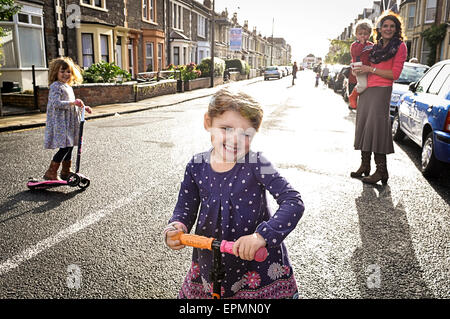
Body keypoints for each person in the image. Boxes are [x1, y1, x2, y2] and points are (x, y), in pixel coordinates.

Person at [163, 88, 305, 299]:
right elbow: (185, 207)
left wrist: (261, 236)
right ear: (207, 122)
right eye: (226, 128)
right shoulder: (196, 165)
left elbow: (293, 201)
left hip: (255, 263)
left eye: (246, 133)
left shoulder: (259, 162)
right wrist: (177, 227)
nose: (235, 139)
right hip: (209, 257)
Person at [351, 12, 407, 184]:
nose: (388, 29)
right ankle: (365, 165)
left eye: (392, 26)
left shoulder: (399, 46)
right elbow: (365, 64)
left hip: (381, 89)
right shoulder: (376, 46)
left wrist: (370, 70)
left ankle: (381, 170)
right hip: (367, 88)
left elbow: (394, 74)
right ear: (380, 29)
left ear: (396, 29)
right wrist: (358, 70)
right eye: (385, 26)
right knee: (364, 126)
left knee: (376, 128)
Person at [43, 57, 92, 181]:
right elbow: (56, 104)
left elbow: (72, 105)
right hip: (61, 123)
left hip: (69, 123)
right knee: (65, 147)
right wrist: (72, 102)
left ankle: (65, 171)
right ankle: (51, 173)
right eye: (62, 71)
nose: (66, 74)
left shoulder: (67, 87)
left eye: (68, 71)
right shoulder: (55, 86)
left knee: (70, 145)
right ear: (55, 72)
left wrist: (83, 107)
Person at [348, 19, 374, 109]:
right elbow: (356, 53)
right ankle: (353, 96)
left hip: (368, 68)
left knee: (368, 86)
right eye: (360, 34)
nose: (363, 36)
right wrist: (362, 44)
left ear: (369, 35)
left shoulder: (371, 45)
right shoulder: (354, 45)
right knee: (362, 84)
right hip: (358, 67)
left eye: (365, 34)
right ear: (356, 34)